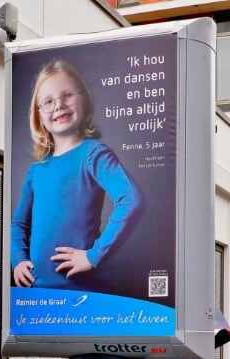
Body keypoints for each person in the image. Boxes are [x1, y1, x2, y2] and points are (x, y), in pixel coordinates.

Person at [10, 59, 145, 290]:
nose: (59, 105)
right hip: (37, 297)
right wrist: (18, 260)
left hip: (82, 296)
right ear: (39, 115)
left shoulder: (94, 155)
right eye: (48, 101)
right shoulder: (37, 170)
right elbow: (18, 224)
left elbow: (132, 199)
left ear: (85, 99)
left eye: (68, 95)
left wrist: (93, 256)